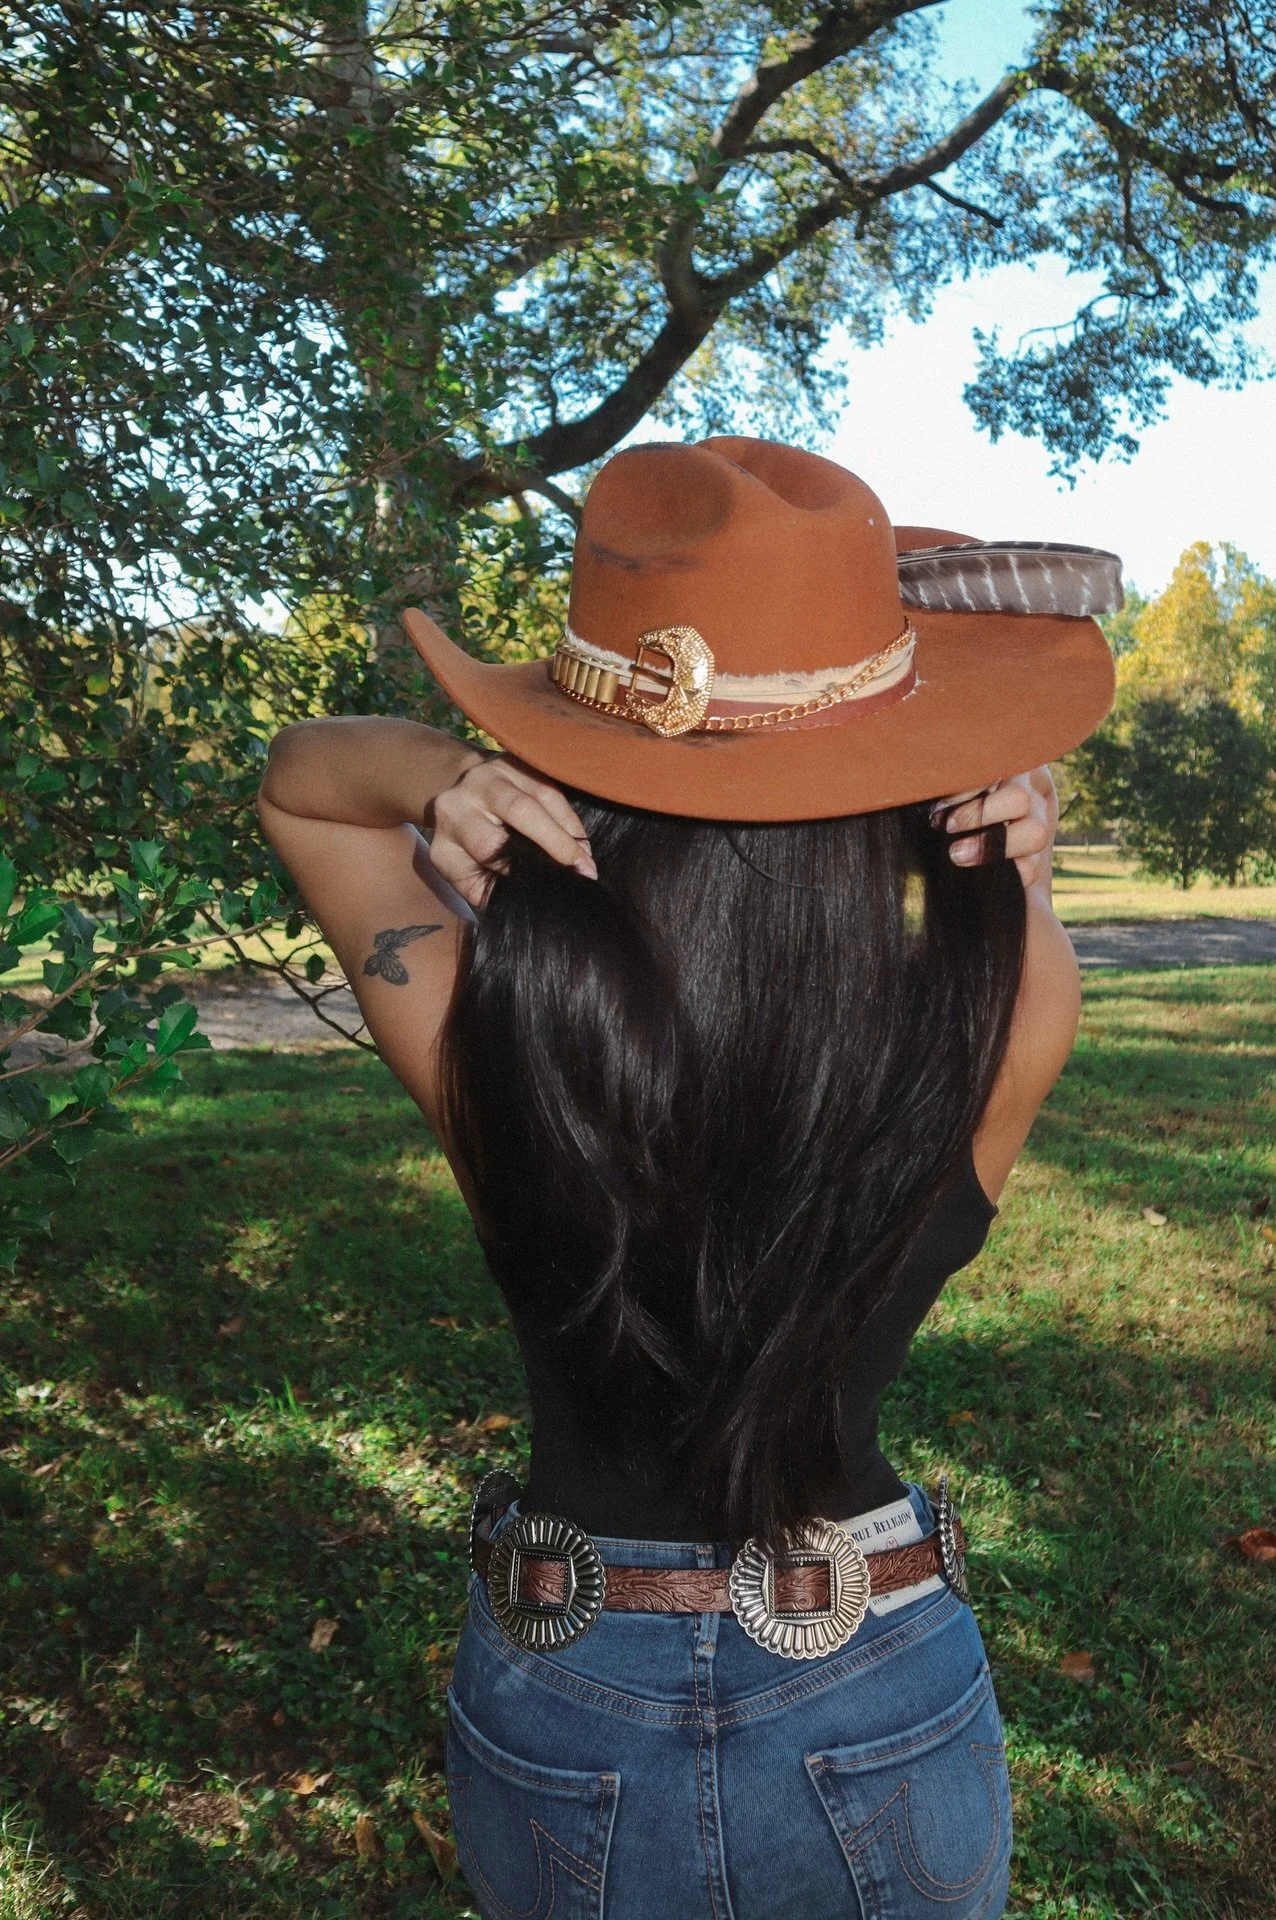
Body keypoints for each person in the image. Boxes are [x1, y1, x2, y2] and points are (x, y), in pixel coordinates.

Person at [257, 436, 1117, 1919]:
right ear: (892, 777)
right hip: (870, 1671)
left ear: (575, 763)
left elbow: (304, 787)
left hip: (564, 1678)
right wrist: (1010, 864)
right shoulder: (1001, 1018)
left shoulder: (496, 1031)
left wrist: (447, 774)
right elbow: (1008, 887)